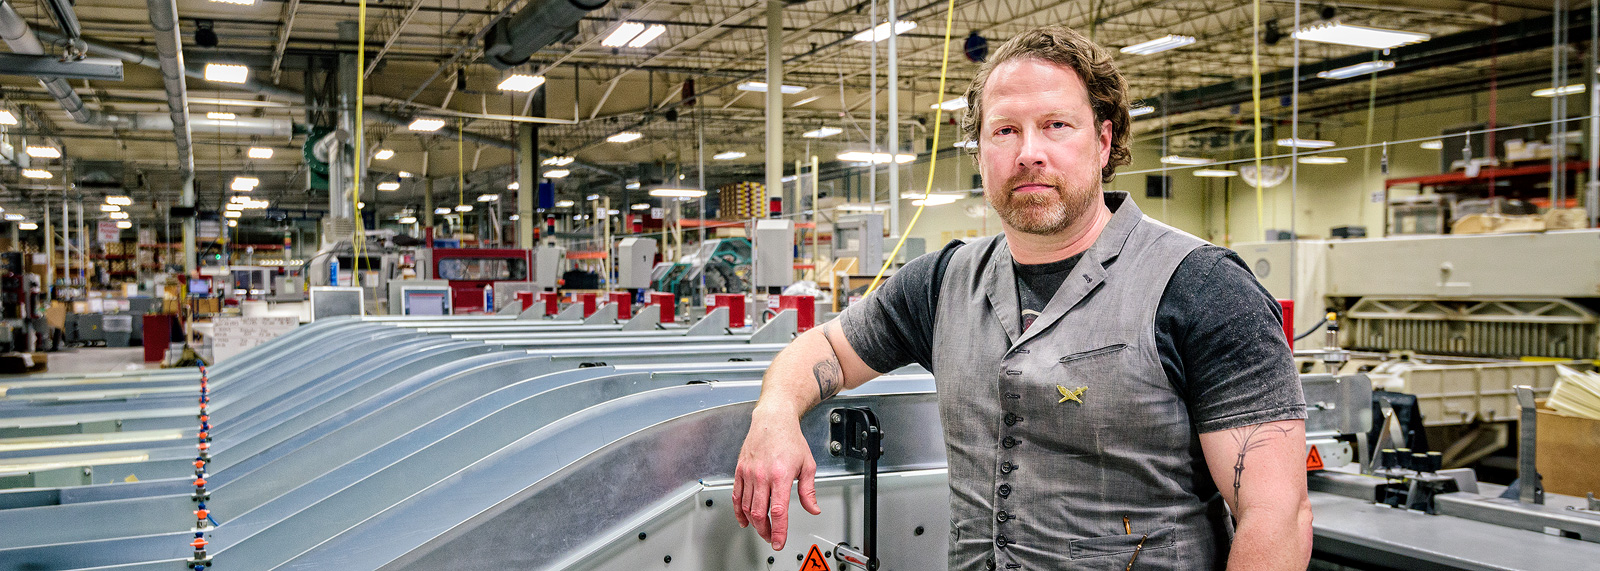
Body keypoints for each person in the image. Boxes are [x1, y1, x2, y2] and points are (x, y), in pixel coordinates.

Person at [733, 25, 1312, 570]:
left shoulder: (1201, 286)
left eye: (1056, 125)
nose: (1028, 152)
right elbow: (824, 349)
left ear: (1104, 141)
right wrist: (775, 413)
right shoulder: (943, 282)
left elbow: (1276, 516)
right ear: (980, 152)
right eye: (1005, 130)